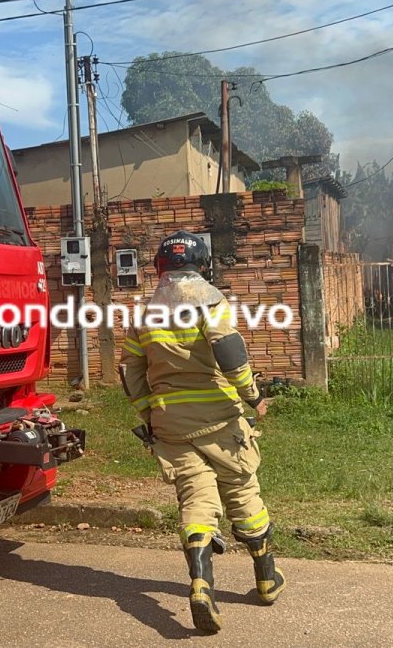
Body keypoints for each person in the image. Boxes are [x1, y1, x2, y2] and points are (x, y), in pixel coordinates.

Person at [118, 230, 284, 634]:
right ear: (204, 265)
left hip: (171, 426)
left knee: (196, 499)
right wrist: (254, 397)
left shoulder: (144, 315)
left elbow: (130, 373)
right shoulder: (210, 301)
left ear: (160, 267)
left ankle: (200, 585)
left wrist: (148, 414)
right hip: (220, 420)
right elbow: (230, 353)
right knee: (243, 491)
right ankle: (265, 580)